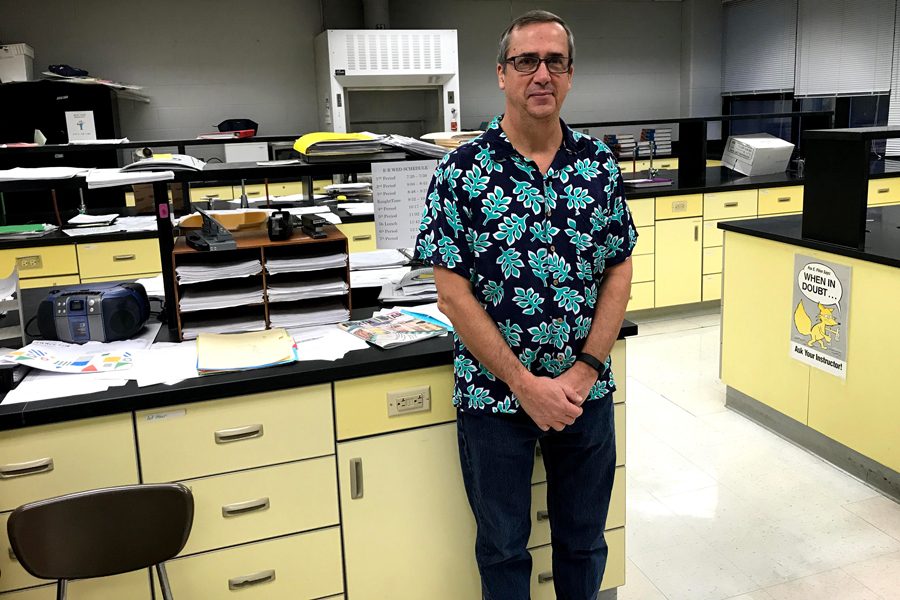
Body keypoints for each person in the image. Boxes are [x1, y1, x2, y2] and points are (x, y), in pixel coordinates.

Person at [414, 9, 636, 600]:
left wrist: (585, 368)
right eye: (526, 61)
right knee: (505, 548)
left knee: (584, 542)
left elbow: (619, 265)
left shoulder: (599, 165)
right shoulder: (461, 171)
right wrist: (521, 382)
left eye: (555, 61)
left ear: (569, 74)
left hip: (583, 393)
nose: (541, 73)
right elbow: (451, 291)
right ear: (502, 74)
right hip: (493, 397)